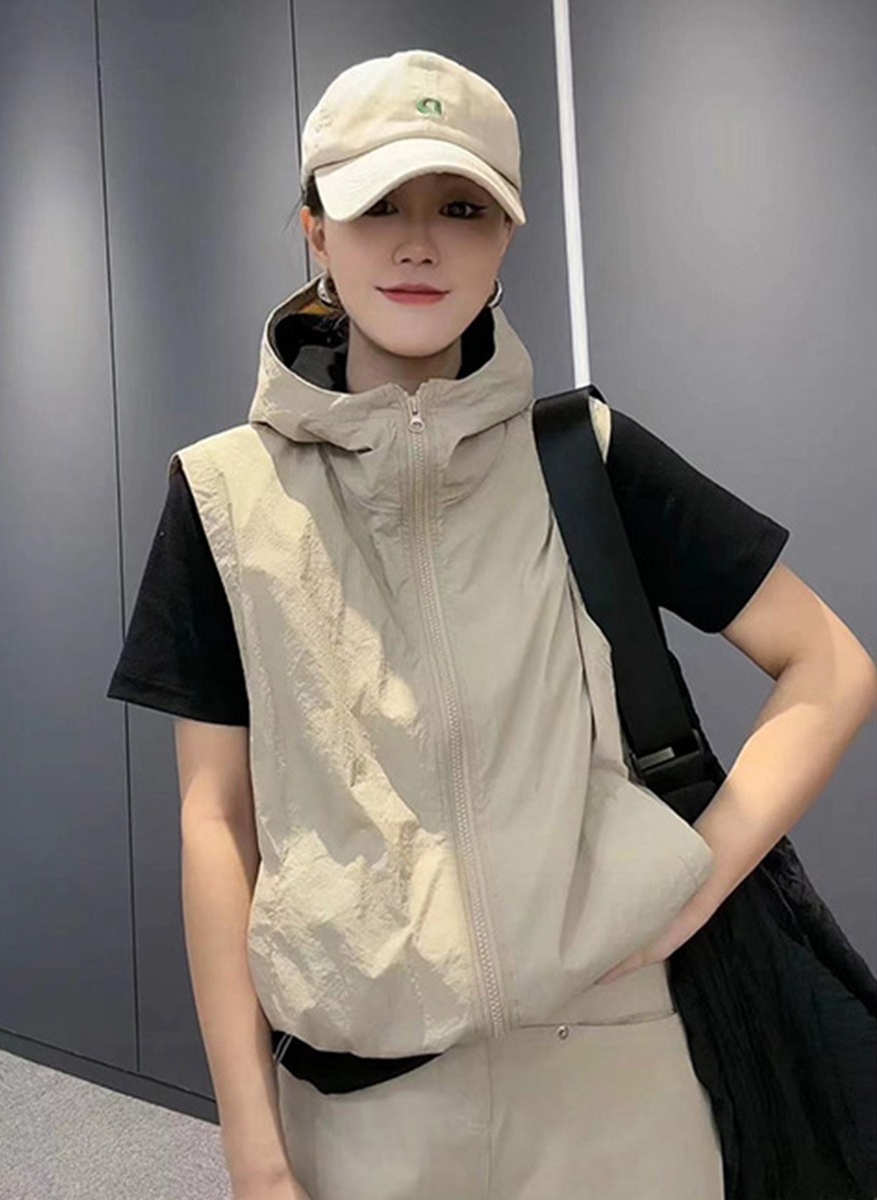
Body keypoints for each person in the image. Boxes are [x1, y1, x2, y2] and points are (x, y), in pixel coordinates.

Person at [107, 48, 877, 1200]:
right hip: (368, 1116)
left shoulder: (583, 457)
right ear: (316, 232)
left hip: (621, 1085)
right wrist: (252, 1151)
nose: (420, 243)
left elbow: (829, 666)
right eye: (379, 206)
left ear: (508, 234)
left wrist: (701, 878)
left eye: (462, 207)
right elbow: (216, 823)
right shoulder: (223, 498)